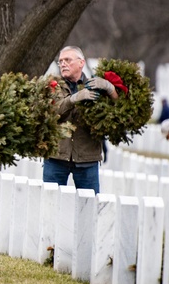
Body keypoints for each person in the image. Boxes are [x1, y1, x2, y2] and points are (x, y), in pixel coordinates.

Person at [42, 46, 118, 193]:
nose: (63, 64)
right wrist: (73, 99)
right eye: (60, 61)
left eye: (68, 60)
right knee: (50, 206)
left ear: (81, 63)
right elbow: (51, 113)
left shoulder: (95, 85)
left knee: (88, 208)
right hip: (56, 157)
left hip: (87, 158)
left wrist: (110, 88)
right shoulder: (53, 86)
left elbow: (118, 111)